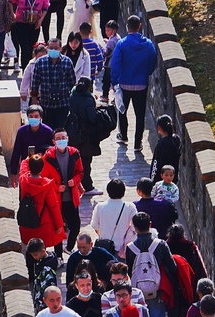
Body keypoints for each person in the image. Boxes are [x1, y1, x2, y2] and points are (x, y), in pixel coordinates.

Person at [123, 210, 178, 317]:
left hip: (138, 291)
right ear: (150, 225)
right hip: (157, 289)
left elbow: (130, 271)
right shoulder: (160, 245)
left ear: (134, 228)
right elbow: (173, 267)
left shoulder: (130, 248)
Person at [109, 15, 156, 152]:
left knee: (122, 110)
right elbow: (153, 61)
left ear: (127, 27)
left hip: (124, 83)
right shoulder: (148, 44)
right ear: (140, 26)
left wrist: (114, 82)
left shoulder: (122, 44)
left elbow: (115, 64)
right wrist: (146, 73)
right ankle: (137, 143)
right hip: (141, 84)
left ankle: (123, 135)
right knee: (140, 114)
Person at [41, 129, 85, 254]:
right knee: (58, 228)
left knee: (75, 226)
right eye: (58, 138)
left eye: (63, 138)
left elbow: (80, 172)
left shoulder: (74, 153)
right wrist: (56, 187)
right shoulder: (48, 157)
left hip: (71, 197)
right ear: (53, 141)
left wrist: (74, 181)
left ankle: (69, 248)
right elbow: (44, 178)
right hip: (56, 199)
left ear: (68, 138)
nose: (61, 140)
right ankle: (59, 255)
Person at [66, 78, 110, 188]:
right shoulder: (88, 100)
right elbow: (93, 118)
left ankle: (75, 183)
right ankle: (87, 186)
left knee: (75, 160)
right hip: (85, 135)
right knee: (85, 161)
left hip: (73, 131)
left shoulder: (72, 96)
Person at [18, 154, 65, 255]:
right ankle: (59, 257)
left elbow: (22, 170)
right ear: (42, 168)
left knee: (30, 248)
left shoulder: (23, 180)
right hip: (42, 223)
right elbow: (53, 206)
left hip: (26, 221)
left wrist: (26, 161)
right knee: (43, 248)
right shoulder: (47, 185)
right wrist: (59, 225)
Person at [32, 39, 77, 130]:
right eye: (51, 48)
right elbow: (35, 82)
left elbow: (72, 82)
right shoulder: (40, 62)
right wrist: (34, 99)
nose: (53, 50)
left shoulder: (67, 62)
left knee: (61, 129)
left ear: (60, 48)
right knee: (47, 129)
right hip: (46, 103)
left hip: (63, 103)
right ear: (47, 48)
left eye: (56, 48)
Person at [89, 178, 136, 258]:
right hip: (122, 250)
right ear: (123, 192)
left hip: (104, 248)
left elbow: (95, 226)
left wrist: (104, 236)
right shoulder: (130, 207)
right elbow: (134, 228)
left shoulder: (100, 207)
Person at [9, 105, 55, 184]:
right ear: (27, 117)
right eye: (31, 116)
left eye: (36, 116)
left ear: (40, 117)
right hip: (26, 168)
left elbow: (53, 152)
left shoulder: (48, 131)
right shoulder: (21, 131)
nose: (33, 118)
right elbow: (16, 152)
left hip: (43, 169)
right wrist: (13, 174)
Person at [11, 0, 48, 69]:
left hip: (35, 24)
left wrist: (40, 20)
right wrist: (13, 14)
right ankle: (25, 70)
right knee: (25, 49)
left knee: (32, 49)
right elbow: (10, 2)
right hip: (21, 24)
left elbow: (45, 7)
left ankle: (31, 70)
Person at [150, 114, 182, 182]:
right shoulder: (177, 139)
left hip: (161, 182)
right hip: (173, 179)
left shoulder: (161, 145)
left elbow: (156, 166)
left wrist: (152, 182)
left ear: (159, 128)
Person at [18, 42, 50, 106]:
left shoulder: (50, 64)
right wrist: (23, 92)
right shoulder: (31, 64)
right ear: (35, 56)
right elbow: (26, 79)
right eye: (39, 57)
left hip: (47, 95)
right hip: (34, 95)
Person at [99, 19, 120, 94]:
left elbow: (107, 53)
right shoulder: (118, 38)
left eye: (108, 30)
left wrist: (101, 47)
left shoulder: (111, 41)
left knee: (106, 80)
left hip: (109, 64)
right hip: (116, 63)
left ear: (114, 31)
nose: (106, 32)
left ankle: (105, 95)